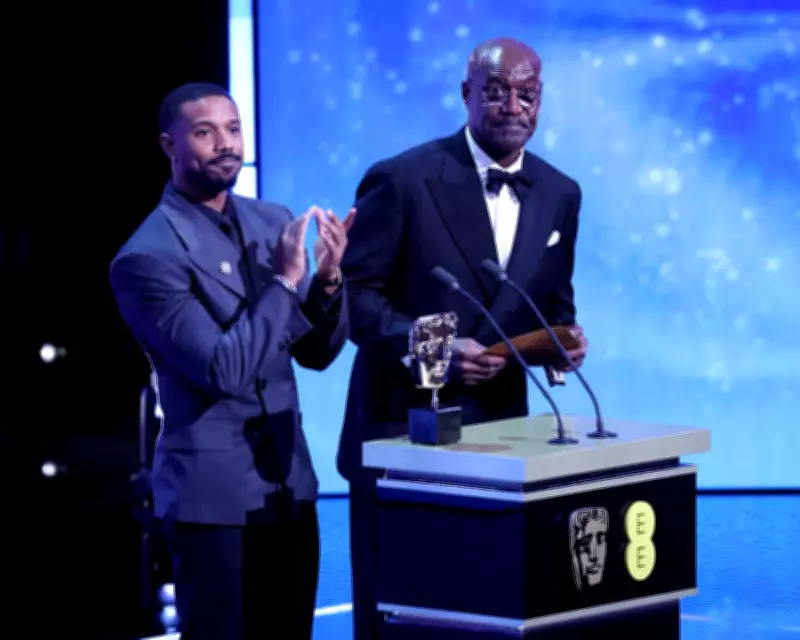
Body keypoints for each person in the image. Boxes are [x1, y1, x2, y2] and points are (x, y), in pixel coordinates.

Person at [337, 38, 589, 638]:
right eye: (496, 92)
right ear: (466, 94)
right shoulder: (403, 178)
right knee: (404, 616)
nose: (513, 107)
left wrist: (562, 350)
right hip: (403, 433)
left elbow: (551, 302)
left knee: (490, 612)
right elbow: (354, 299)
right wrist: (436, 352)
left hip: (502, 437)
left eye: (527, 94)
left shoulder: (560, 192)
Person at [109, 82, 354, 639]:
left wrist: (327, 281)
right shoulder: (147, 257)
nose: (226, 143)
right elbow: (223, 369)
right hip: (213, 502)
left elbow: (316, 354)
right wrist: (285, 283)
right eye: (205, 132)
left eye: (234, 129)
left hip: (288, 486)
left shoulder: (272, 222)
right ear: (169, 145)